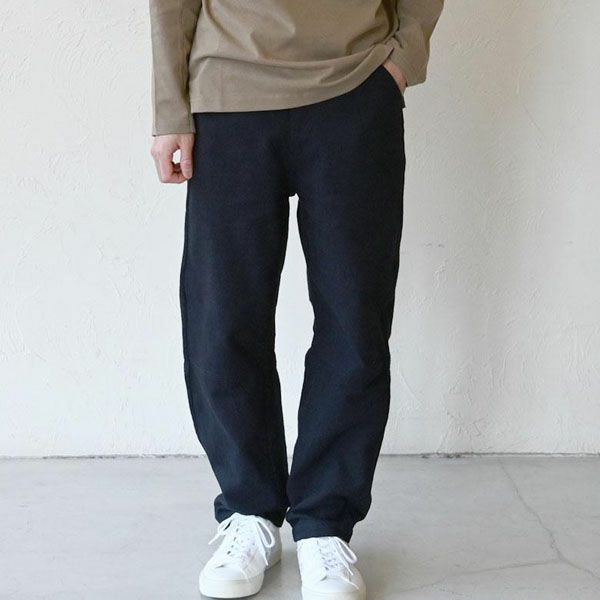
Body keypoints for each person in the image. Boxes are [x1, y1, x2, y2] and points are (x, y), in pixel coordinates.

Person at [149, 1, 443, 598]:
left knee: (354, 319)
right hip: (228, 95)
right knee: (222, 320)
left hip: (355, 87)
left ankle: (324, 524)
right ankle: (249, 511)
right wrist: (169, 108)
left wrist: (403, 57)